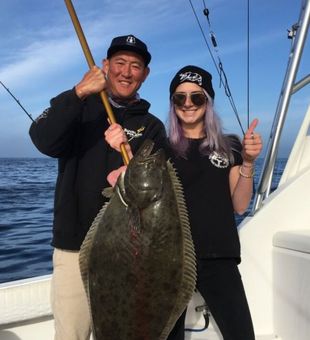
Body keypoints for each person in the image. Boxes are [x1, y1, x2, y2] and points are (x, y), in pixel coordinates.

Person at [106, 65, 262, 340]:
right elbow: (120, 182)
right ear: (173, 104)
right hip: (168, 259)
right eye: (180, 98)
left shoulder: (230, 147)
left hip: (219, 257)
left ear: (208, 102)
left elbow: (239, 205)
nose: (188, 104)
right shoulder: (158, 150)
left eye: (197, 97)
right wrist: (123, 153)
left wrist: (248, 162)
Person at [29, 34, 166, 340]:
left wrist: (128, 156)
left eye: (135, 66)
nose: (126, 72)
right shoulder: (79, 108)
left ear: (145, 75)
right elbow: (42, 139)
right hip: (74, 245)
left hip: (128, 253)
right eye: (119, 63)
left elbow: (159, 188)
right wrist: (78, 93)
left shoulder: (152, 126)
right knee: (71, 334)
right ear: (105, 66)